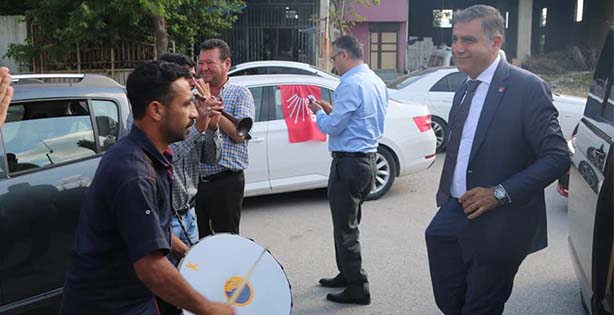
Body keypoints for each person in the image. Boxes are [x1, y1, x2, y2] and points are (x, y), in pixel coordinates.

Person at [425, 5, 570, 315]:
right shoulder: (464, 85)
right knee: (450, 292)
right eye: (454, 39)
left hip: (501, 219)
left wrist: (499, 193)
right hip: (456, 209)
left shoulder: (527, 88)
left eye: (469, 40)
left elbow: (557, 157)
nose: (458, 49)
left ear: (495, 42)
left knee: (481, 305)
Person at [61, 60, 234, 315]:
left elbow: (151, 229)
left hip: (132, 300)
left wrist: (188, 253)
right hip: (108, 307)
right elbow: (151, 268)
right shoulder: (134, 173)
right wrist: (211, 309)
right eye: (186, 104)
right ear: (156, 110)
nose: (196, 113)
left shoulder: (148, 156)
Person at [307, 35, 387, 305]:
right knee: (348, 223)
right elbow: (360, 118)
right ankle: (347, 273)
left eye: (333, 59)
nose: (333, 65)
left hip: (350, 163)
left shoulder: (350, 83)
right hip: (367, 161)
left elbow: (332, 127)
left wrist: (317, 112)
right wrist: (331, 111)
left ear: (344, 55)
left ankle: (357, 287)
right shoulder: (375, 81)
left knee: (346, 228)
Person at [158, 53, 222, 257]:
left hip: (189, 213)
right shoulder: (158, 113)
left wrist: (212, 128)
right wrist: (199, 127)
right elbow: (165, 157)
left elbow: (210, 158)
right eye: (188, 77)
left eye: (194, 76)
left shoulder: (192, 108)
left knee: (192, 273)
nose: (195, 83)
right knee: (171, 284)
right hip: (167, 219)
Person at [195, 39, 254, 237]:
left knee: (226, 241)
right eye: (200, 62)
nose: (203, 68)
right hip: (194, 182)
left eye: (209, 62)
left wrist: (211, 110)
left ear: (226, 63)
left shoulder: (241, 93)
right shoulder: (190, 94)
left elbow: (239, 135)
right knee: (196, 243)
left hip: (226, 182)